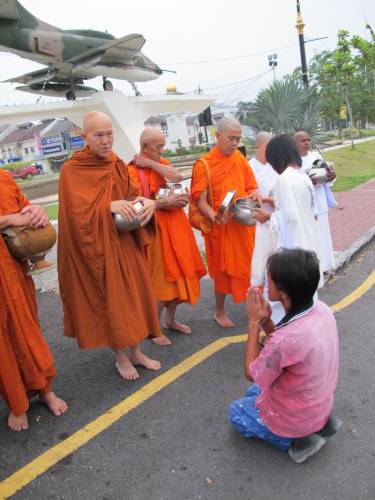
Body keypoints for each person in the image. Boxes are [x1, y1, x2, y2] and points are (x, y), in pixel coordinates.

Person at [58, 111, 161, 381]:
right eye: (98, 135)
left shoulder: (116, 163)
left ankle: (137, 351)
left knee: (137, 296)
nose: (105, 141)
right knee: (114, 302)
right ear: (85, 138)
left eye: (109, 134)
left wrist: (147, 202)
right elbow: (74, 216)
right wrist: (107, 207)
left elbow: (129, 196)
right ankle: (121, 357)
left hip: (126, 241)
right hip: (100, 248)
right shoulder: (73, 170)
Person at [228, 248, 341, 463]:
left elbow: (252, 372)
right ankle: (320, 424)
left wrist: (253, 323)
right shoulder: (321, 310)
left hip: (297, 417)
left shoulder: (286, 339)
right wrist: (268, 323)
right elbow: (288, 351)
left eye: (269, 280)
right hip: (318, 404)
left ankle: (298, 440)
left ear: (283, 292)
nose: (265, 282)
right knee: (254, 392)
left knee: (237, 412)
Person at [0, 170, 67, 431]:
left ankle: (45, 388)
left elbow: (24, 209)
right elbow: (11, 217)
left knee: (27, 331)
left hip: (14, 274)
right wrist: (7, 219)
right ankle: (16, 403)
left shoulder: (4, 177)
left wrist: (34, 211)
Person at [128, 128, 206, 345]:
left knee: (181, 277)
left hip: (177, 229)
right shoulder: (131, 171)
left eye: (162, 146)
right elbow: (136, 204)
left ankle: (170, 320)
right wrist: (164, 202)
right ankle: (154, 328)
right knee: (162, 282)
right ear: (145, 147)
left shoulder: (159, 164)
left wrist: (152, 164)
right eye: (158, 147)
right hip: (156, 232)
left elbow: (178, 177)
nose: (162, 150)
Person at [190, 117, 258, 328]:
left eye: (237, 139)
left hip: (240, 225)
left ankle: (255, 309)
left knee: (249, 268)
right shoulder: (204, 165)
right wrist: (213, 216)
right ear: (217, 135)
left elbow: (251, 186)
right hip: (219, 226)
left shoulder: (239, 159)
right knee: (221, 272)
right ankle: (219, 311)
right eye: (230, 138)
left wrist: (254, 195)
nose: (234, 143)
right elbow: (199, 199)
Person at [254, 135, 321, 282]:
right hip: (309, 243)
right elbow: (311, 212)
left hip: (294, 249)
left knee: (292, 295)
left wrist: (267, 217)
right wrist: (275, 204)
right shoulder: (303, 177)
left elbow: (289, 219)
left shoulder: (284, 180)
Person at [249, 132, 284, 323]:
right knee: (258, 268)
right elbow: (245, 190)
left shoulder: (277, 168)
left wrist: (271, 202)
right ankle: (257, 310)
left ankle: (275, 308)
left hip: (277, 224)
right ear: (260, 147)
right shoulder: (249, 167)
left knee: (277, 266)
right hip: (259, 225)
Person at [294, 131, 336, 273]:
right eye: (302, 140)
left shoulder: (316, 157)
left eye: (308, 140)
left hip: (320, 202)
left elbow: (327, 174)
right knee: (310, 237)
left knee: (323, 235)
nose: (306, 143)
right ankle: (312, 269)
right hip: (305, 206)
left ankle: (324, 267)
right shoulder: (293, 161)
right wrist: (307, 181)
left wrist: (331, 176)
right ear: (295, 144)